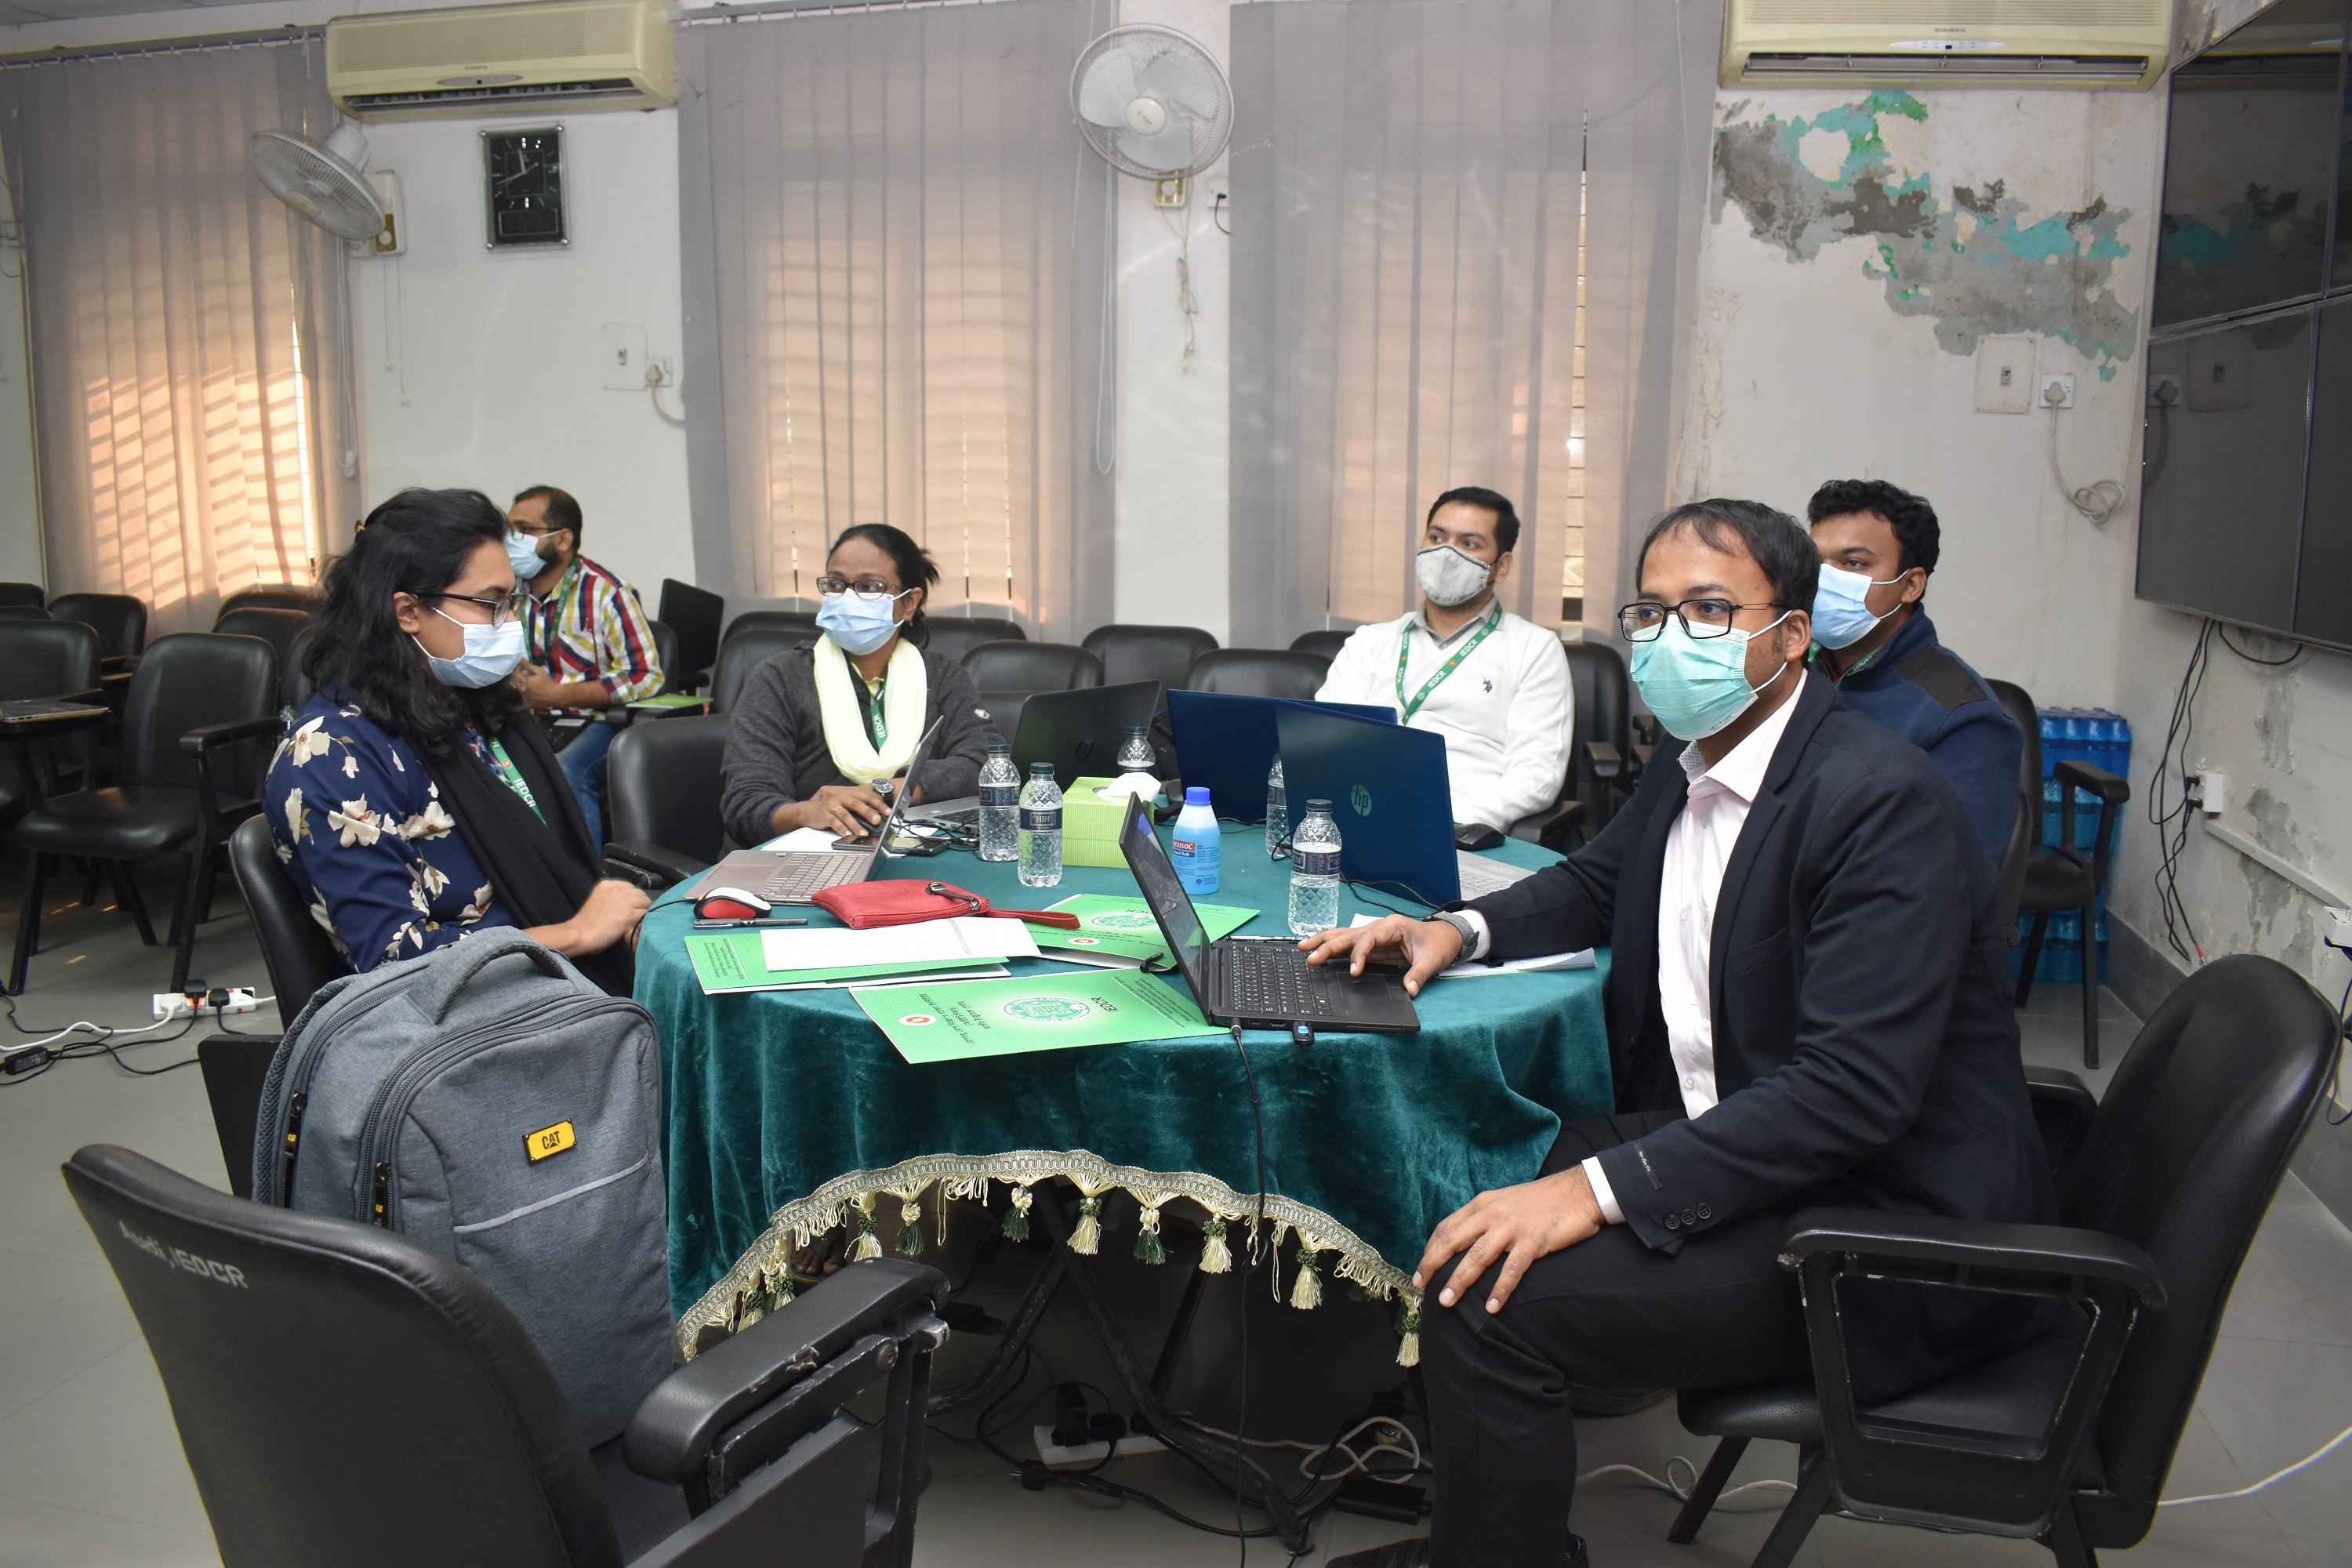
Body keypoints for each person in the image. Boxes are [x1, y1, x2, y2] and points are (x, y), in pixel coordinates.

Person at [1306, 499, 2053, 1568]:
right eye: (1651, 612)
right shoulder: (1696, 754)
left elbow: (1849, 1092)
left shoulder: (1880, 801)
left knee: (1490, 1301)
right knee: (1474, 1165)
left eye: (1709, 609)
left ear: (1791, 635)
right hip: (1758, 1142)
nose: (1669, 638)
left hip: (1878, 1226)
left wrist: (1595, 1191)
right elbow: (1596, 882)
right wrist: (1454, 930)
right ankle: (1490, 1527)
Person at [269, 488, 650, 995]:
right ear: (408, 611)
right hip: (468, 1018)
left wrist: (608, 919)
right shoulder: (331, 754)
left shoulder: (474, 709)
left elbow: (551, 862)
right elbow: (396, 965)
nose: (511, 623)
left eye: (512, 602)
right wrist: (577, 933)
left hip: (556, 979)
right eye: (492, 604)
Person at [719, 524, 1003, 844]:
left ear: (909, 602)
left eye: (870, 587)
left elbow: (987, 764)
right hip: (802, 855)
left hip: (910, 847)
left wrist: (887, 792)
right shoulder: (779, 677)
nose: (848, 598)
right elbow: (745, 805)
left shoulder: (942, 675)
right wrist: (807, 812)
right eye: (836, 584)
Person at [1313, 488, 1574, 833]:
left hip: (1460, 827)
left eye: (1469, 543)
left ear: (1501, 566)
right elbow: (1326, 741)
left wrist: (1452, 822)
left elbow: (1537, 774)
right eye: (1437, 538)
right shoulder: (1369, 642)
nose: (1446, 554)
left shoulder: (1535, 649)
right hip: (1360, 817)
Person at [1806, 478, 2023, 864]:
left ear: (1910, 585)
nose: (1825, 580)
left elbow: (1956, 874)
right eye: (1817, 562)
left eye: (1854, 563)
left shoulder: (1964, 717)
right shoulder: (1791, 673)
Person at [507, 484, 665, 854]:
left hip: (594, 722)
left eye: (525, 531)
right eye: (510, 530)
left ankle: (588, 878)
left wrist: (559, 694)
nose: (512, 541)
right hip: (526, 717)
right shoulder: (507, 591)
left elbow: (646, 674)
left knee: (565, 770)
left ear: (563, 539)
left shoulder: (606, 592)